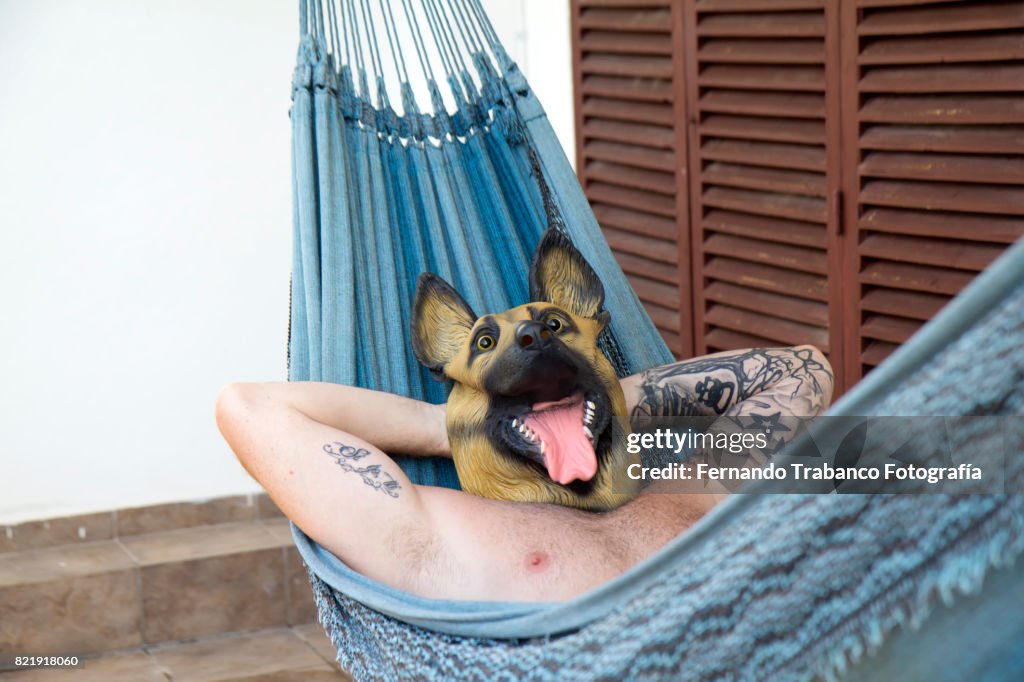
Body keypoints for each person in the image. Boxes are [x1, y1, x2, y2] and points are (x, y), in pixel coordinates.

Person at [216, 345, 832, 603]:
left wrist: (593, 403)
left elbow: (798, 369)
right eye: (512, 389)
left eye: (560, 383)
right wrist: (444, 425)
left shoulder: (683, 487)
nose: (540, 396)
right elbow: (249, 409)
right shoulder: (435, 537)